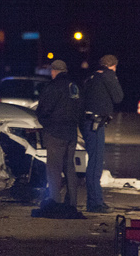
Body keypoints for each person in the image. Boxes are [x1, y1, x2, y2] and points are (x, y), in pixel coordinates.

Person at [33, 59, 83, 217]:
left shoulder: (53, 87)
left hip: (56, 133)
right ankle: (72, 203)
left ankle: (54, 201)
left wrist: (46, 124)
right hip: (71, 133)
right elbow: (80, 109)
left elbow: (44, 109)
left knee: (54, 169)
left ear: (53, 71)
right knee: (70, 168)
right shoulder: (74, 86)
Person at [81, 54, 124, 213]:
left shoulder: (92, 77)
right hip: (95, 124)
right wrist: (113, 78)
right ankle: (95, 203)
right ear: (113, 66)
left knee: (93, 162)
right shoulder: (108, 75)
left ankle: (95, 200)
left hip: (87, 122)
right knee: (96, 164)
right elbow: (118, 97)